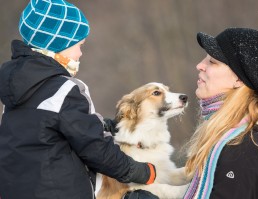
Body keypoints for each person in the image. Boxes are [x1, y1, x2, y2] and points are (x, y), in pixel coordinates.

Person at [0, 0, 157, 198]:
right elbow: (96, 149)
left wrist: (104, 125)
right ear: (59, 44)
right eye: (79, 45)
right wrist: (142, 172)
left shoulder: (12, 94)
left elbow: (47, 131)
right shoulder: (65, 89)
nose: (80, 53)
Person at [183, 28, 258, 199]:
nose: (200, 65)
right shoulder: (245, 139)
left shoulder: (246, 148)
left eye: (213, 61)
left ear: (238, 79)